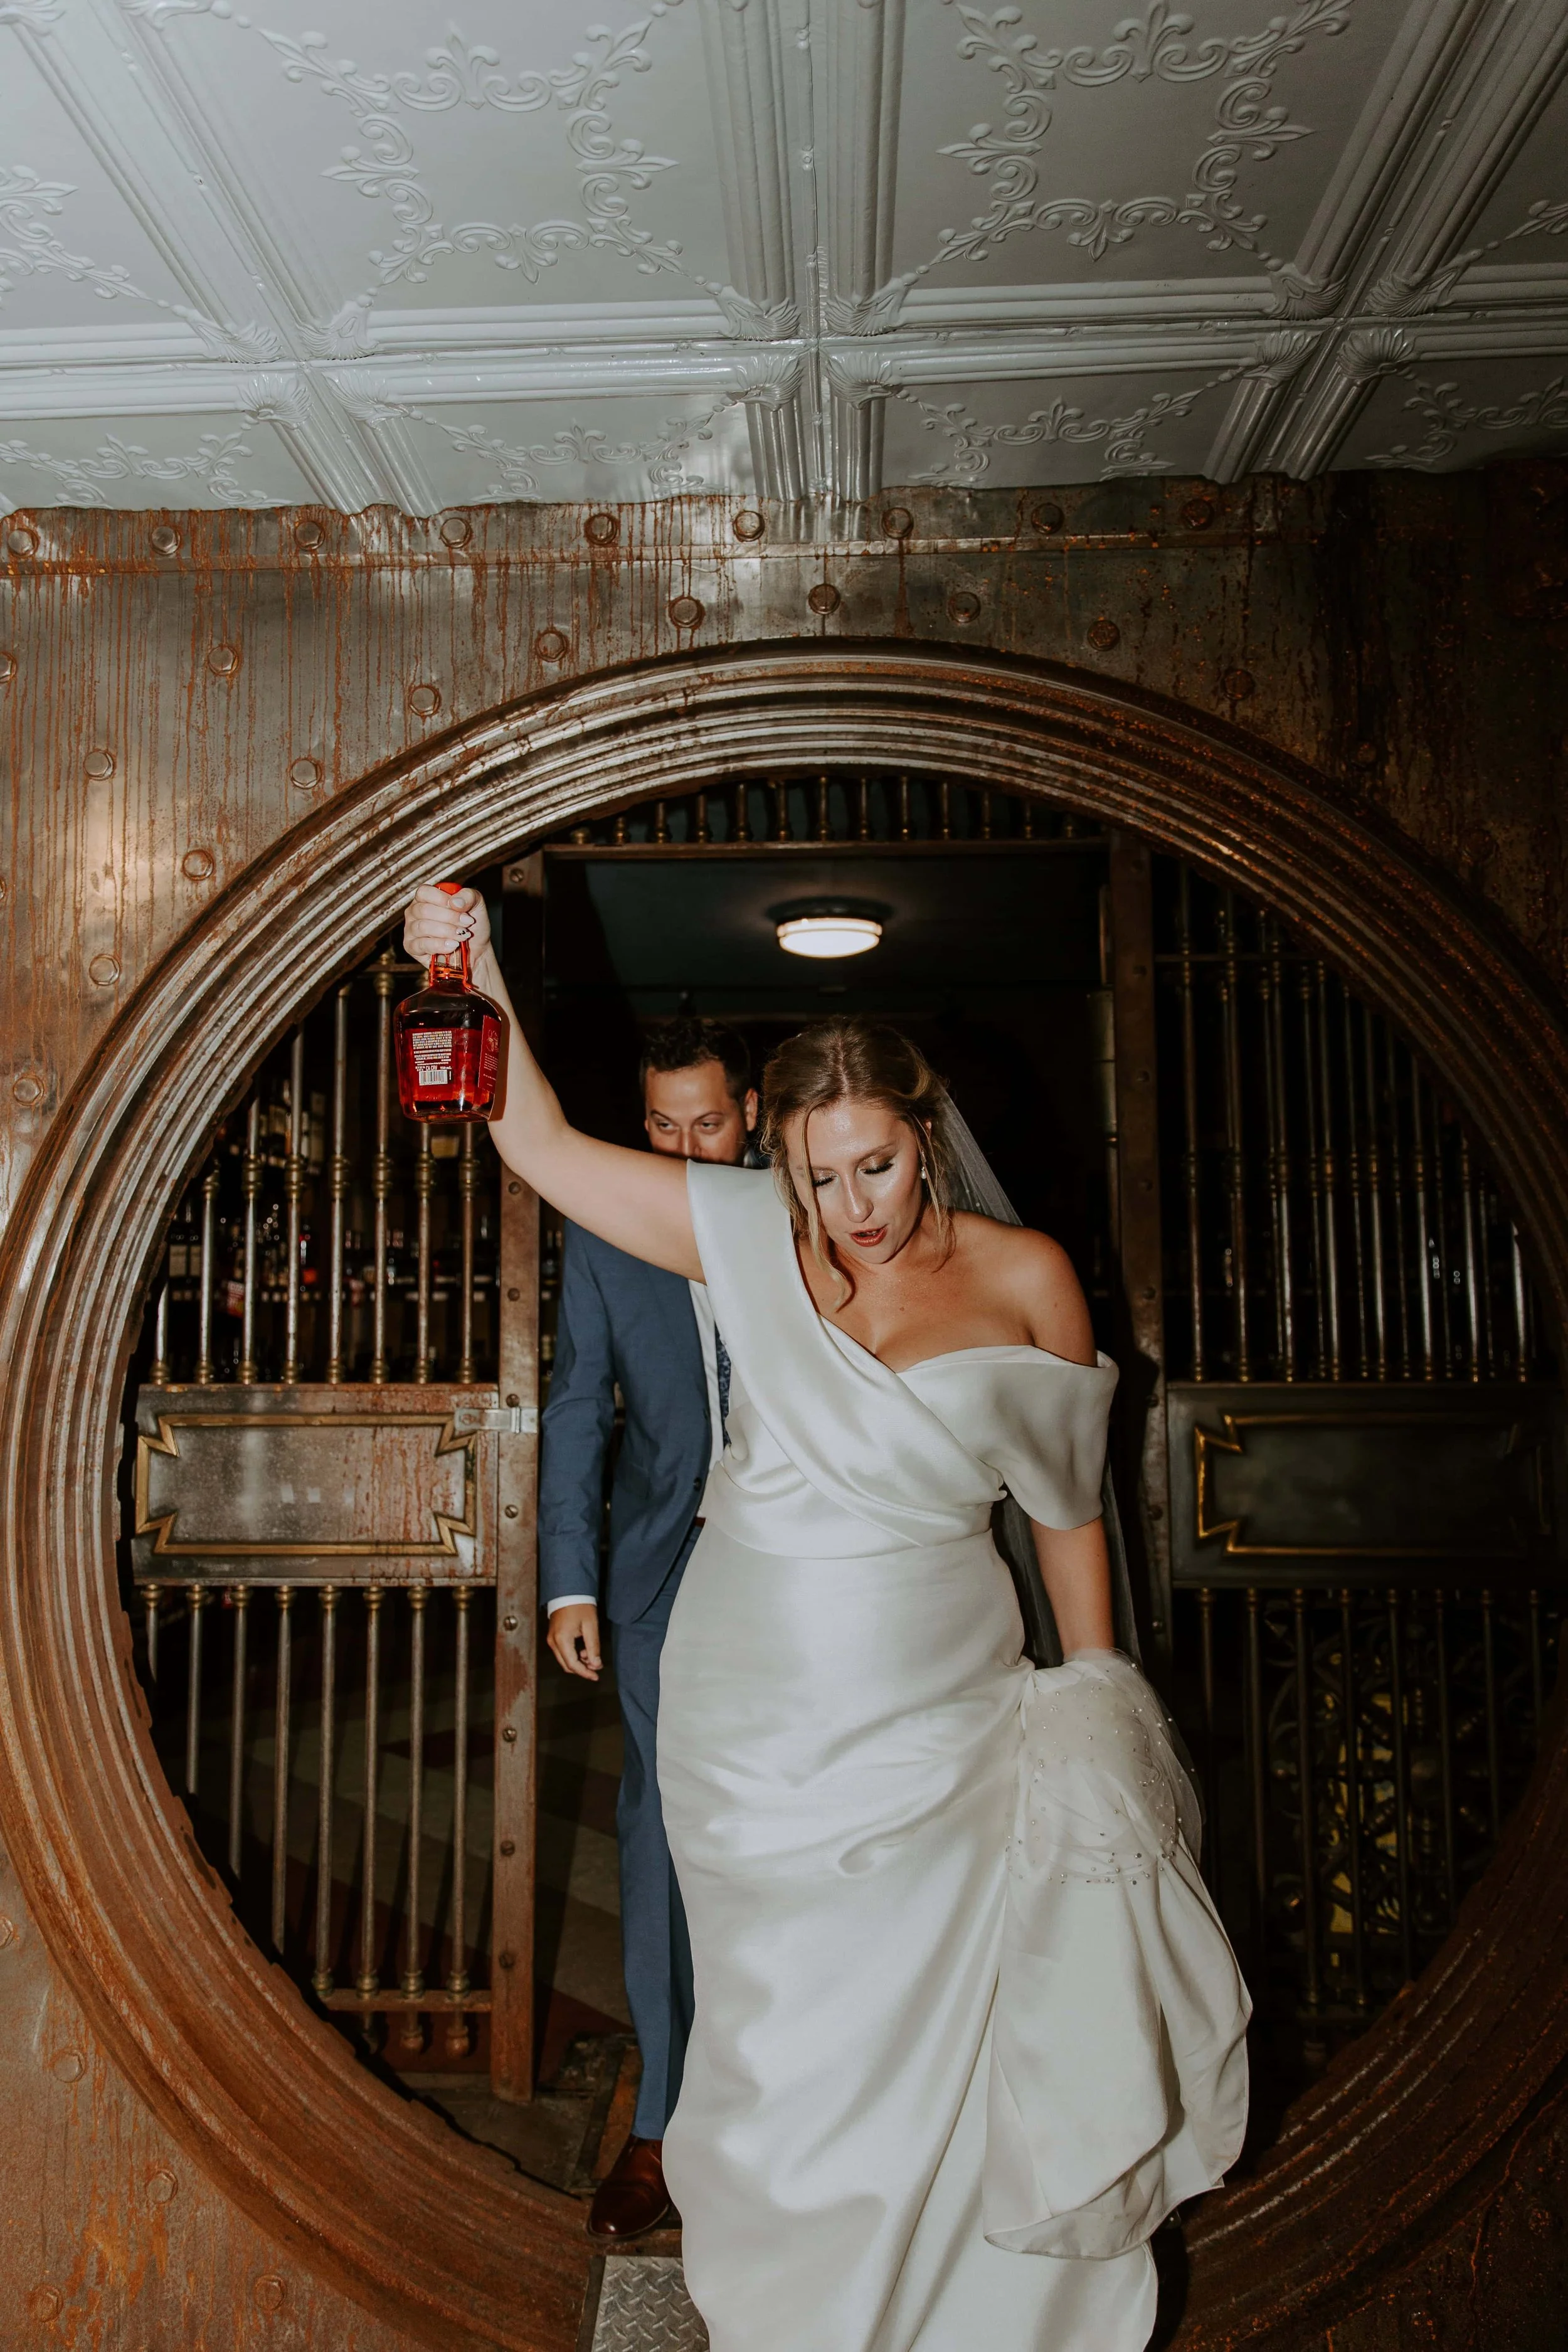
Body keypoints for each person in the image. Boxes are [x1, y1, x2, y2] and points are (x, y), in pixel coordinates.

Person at [404, 883, 1249, 2352]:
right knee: (787, 2034)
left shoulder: (1025, 1275)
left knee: (943, 2021)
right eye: (819, 1177)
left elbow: (1065, 1511)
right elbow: (537, 1146)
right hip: (747, 1721)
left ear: (924, 1138)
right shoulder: (739, 1229)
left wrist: (1096, 1693)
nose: (854, 1208)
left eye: (877, 1166)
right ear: (774, 1160)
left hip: (945, 1716)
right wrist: (469, 973)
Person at [539, 1019, 757, 2240]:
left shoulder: (807, 1208)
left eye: (708, 1124)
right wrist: (570, 1582)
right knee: (659, 1843)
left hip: (809, 1573)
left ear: (752, 1113)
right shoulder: (607, 1224)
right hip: (662, 1579)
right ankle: (662, 2125)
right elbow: (577, 1404)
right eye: (663, 1127)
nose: (683, 1151)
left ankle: (796, 2105)